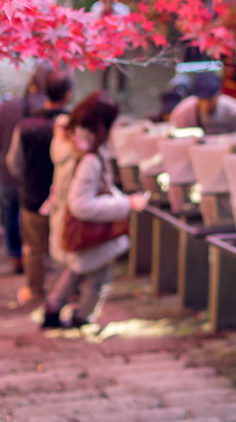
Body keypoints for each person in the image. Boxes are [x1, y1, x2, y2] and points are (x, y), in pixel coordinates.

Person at [42, 92, 148, 329]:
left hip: (66, 224)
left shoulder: (66, 142)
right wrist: (125, 204)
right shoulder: (89, 156)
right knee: (98, 275)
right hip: (83, 228)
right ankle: (83, 319)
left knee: (78, 269)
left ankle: (53, 309)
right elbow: (82, 204)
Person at [8, 70, 74, 304]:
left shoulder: (26, 126)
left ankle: (35, 290)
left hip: (34, 194)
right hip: (68, 198)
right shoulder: (73, 127)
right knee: (70, 245)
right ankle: (71, 289)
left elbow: (14, 164)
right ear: (69, 95)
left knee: (34, 249)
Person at [0, 65, 50, 274]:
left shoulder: (9, 106)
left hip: (8, 172)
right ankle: (40, 258)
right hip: (40, 178)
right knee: (38, 219)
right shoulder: (53, 112)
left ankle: (16, 257)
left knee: (11, 213)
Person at [169, 72, 236, 135]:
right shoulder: (183, 112)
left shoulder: (232, 109)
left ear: (219, 94)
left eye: (210, 99)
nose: (206, 105)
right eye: (202, 99)